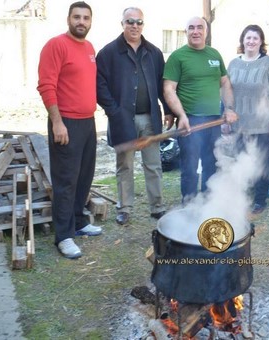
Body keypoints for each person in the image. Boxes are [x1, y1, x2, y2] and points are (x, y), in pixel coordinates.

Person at [37, 1, 102, 260]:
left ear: (90, 21)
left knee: (84, 177)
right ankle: (64, 236)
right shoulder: (56, 45)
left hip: (88, 122)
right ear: (68, 19)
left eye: (86, 17)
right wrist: (57, 122)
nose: (81, 22)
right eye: (77, 17)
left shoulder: (89, 47)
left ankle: (78, 221)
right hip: (66, 123)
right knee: (65, 182)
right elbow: (46, 85)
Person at [96, 7, 171, 226]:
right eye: (130, 21)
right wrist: (114, 111)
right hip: (123, 120)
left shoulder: (154, 52)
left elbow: (162, 83)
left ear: (143, 25)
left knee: (153, 165)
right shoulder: (109, 53)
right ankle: (125, 208)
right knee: (125, 166)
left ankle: (157, 207)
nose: (135, 26)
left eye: (139, 22)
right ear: (122, 24)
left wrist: (167, 109)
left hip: (150, 118)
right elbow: (99, 86)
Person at [163, 16, 238, 204]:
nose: (195, 31)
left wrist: (228, 108)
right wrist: (181, 115)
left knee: (211, 163)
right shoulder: (178, 56)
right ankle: (189, 205)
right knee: (189, 167)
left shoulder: (214, 55)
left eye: (199, 27)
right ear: (186, 31)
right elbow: (168, 88)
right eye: (191, 28)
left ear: (206, 31)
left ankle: (208, 203)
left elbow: (225, 83)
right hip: (189, 120)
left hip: (213, 120)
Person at [226, 24, 269, 215]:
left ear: (261, 42)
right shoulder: (233, 64)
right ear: (243, 41)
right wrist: (225, 117)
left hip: (262, 124)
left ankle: (260, 200)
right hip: (238, 124)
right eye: (248, 38)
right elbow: (226, 93)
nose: (251, 41)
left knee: (262, 163)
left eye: (255, 38)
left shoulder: (268, 63)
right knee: (239, 162)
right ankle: (241, 198)